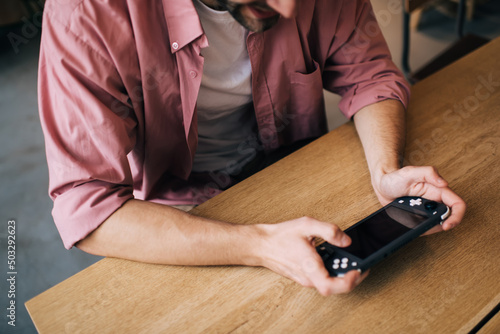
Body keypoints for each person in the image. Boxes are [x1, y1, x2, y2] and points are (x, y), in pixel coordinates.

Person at [38, 0, 466, 296]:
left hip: (292, 163)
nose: (290, 9)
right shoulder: (85, 15)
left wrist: (385, 170)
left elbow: (370, 75)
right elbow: (89, 208)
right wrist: (259, 245)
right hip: (174, 206)